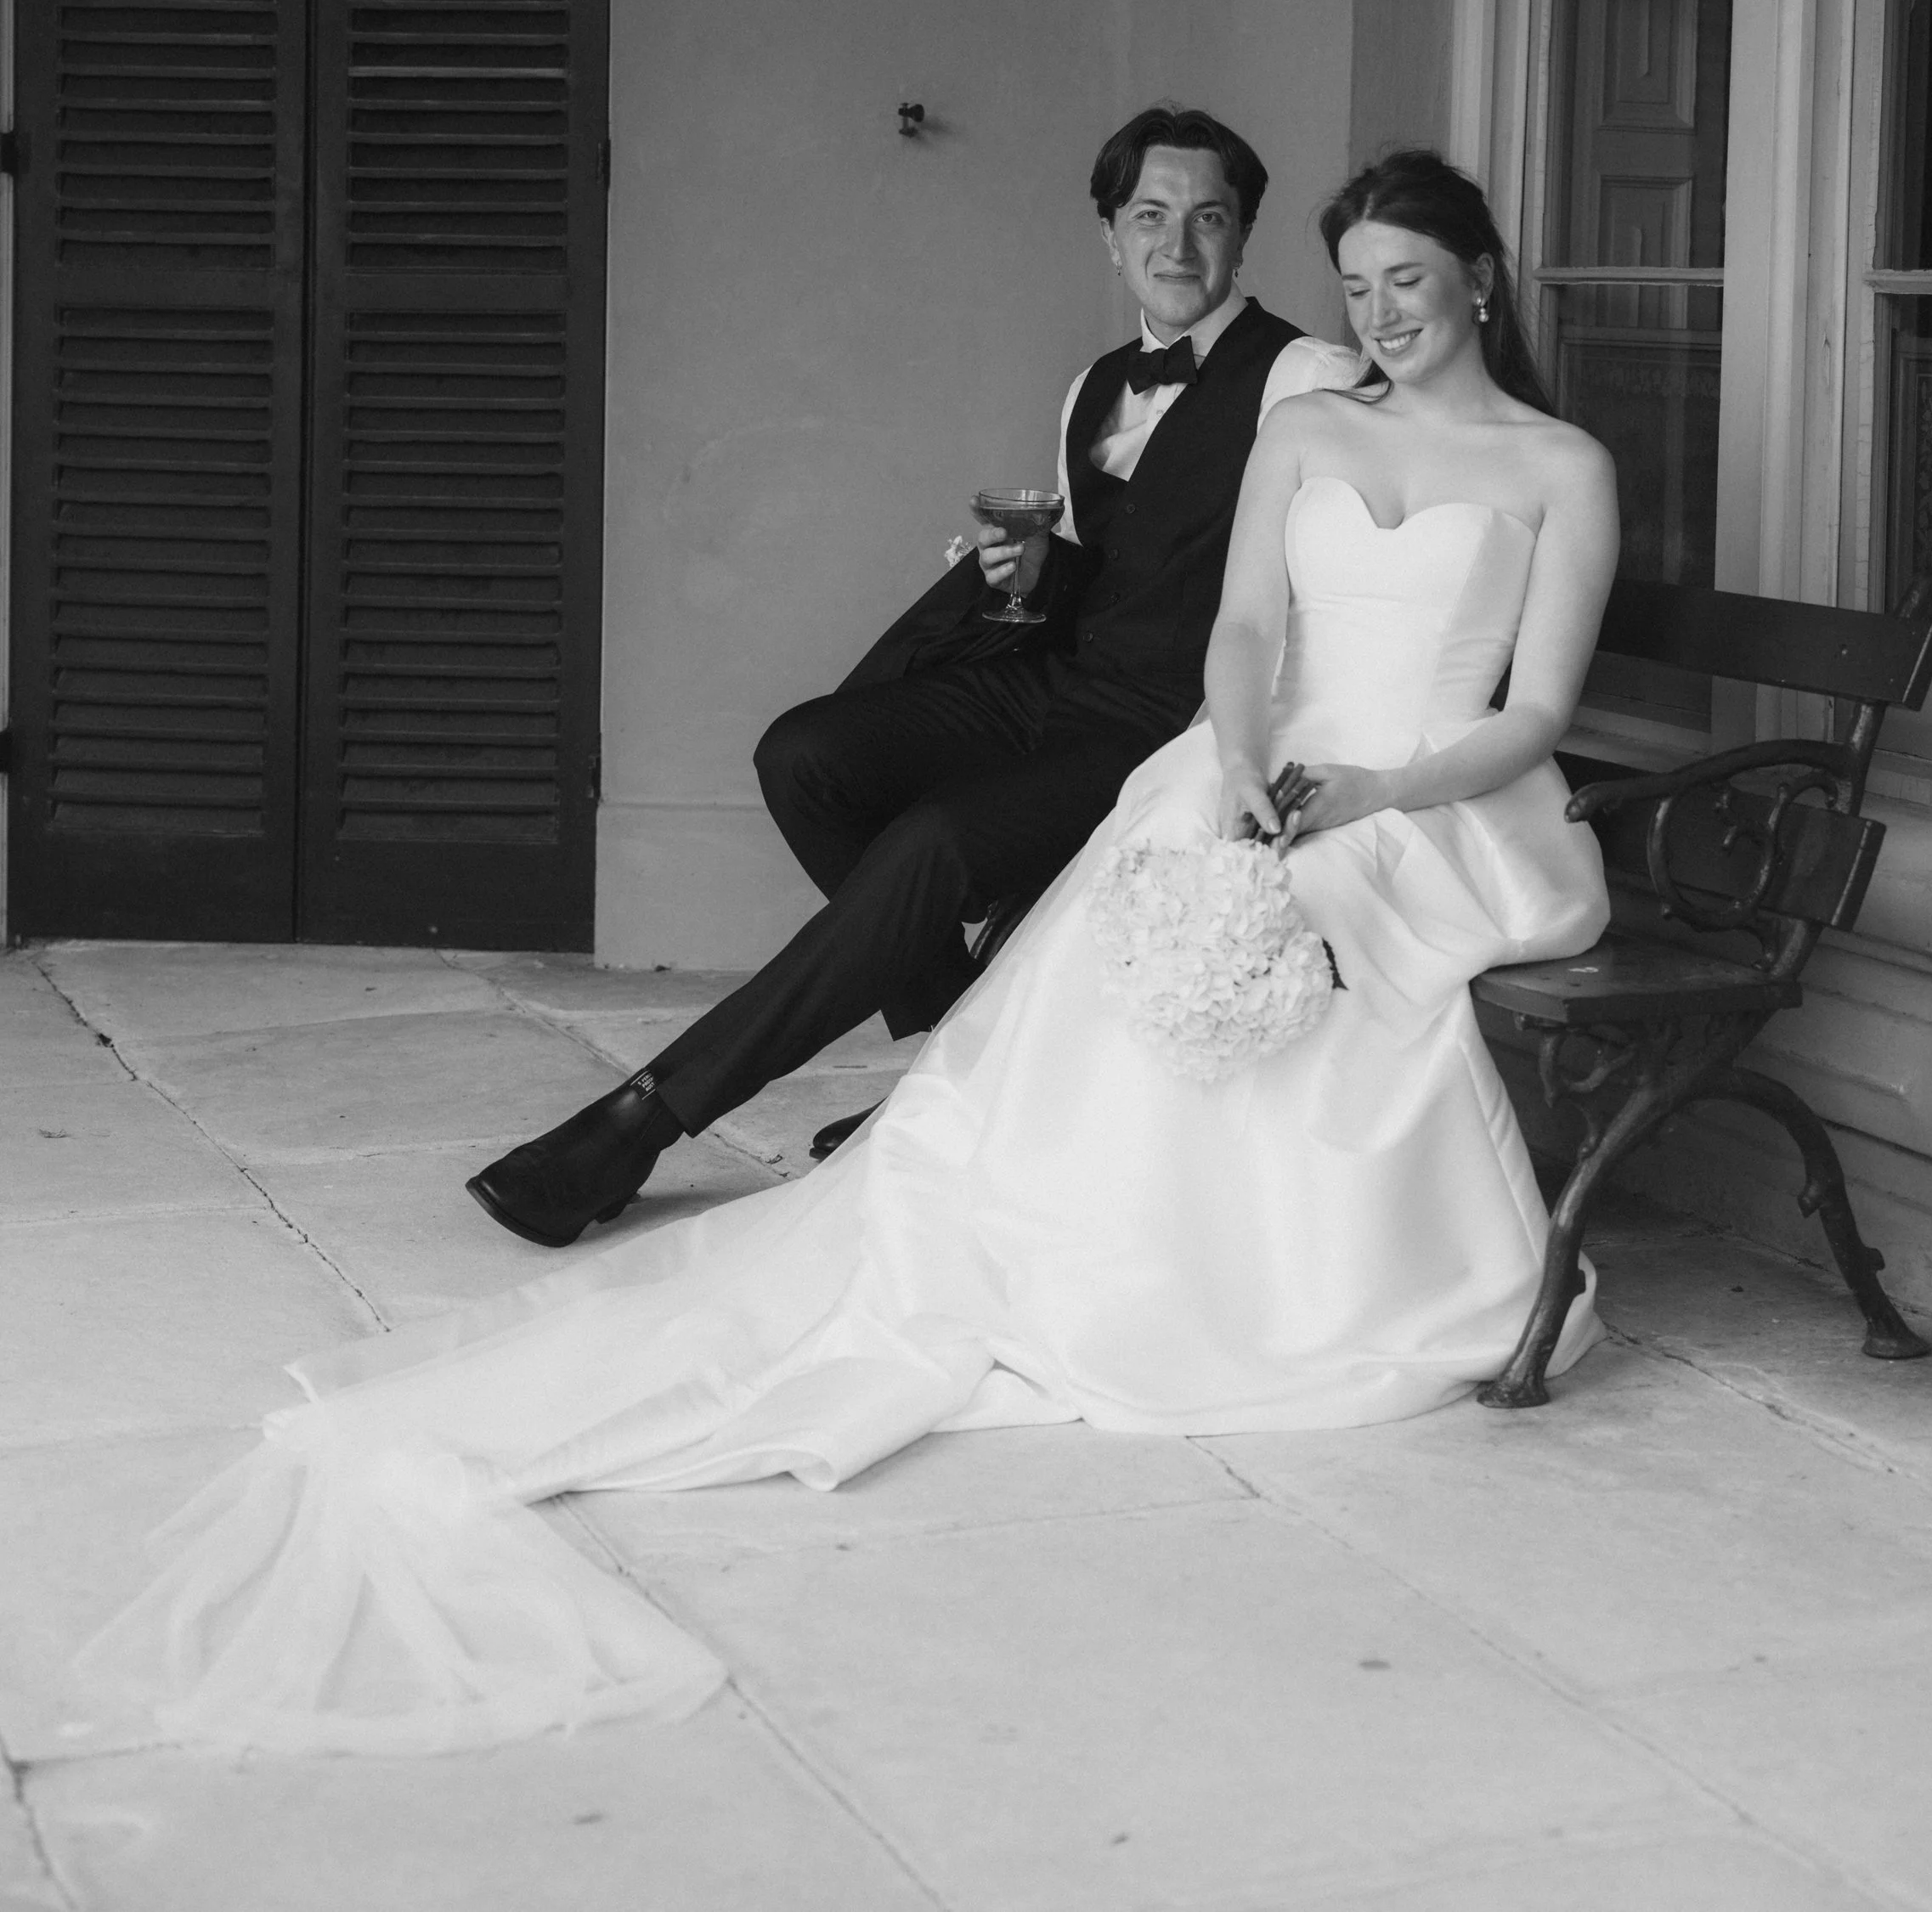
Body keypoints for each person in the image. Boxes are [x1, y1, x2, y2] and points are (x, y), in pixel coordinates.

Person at [72, 149, 1619, 1757]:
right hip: (1227, 744)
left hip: (1427, 787)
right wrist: (1234, 763)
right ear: (1113, 235)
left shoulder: (1523, 455)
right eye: (1359, 283)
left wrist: (1363, 786)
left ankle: (729, 1117)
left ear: (1480, 279)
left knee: (1014, 875)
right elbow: (1233, 625)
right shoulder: (1281, 413)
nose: (1378, 316)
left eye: (1408, 286)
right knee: (840, 767)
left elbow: (1536, 712)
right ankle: (906, 1052)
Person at [465, 104, 1364, 1248]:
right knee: (806, 754)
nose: (1176, 246)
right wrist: (1034, 572)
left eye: (1207, 219)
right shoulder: (1093, 385)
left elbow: (1333, 577)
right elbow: (1107, 569)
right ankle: (952, 1056)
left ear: (1244, 236)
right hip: (1067, 680)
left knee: (933, 842)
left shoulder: (1306, 373)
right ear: (1109, 235)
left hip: (1173, 723)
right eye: (1149, 216)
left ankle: (642, 1119)